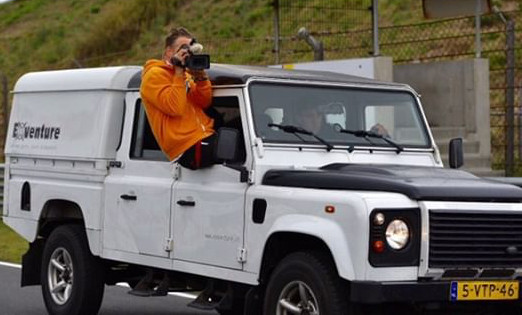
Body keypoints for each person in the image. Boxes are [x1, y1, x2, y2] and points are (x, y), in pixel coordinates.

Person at [140, 27, 217, 170]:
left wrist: (200, 78)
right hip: (186, 146)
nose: (187, 53)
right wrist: (178, 72)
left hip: (203, 136)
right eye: (183, 48)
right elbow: (174, 108)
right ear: (169, 51)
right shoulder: (154, 76)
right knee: (240, 145)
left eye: (190, 49)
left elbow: (204, 102)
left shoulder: (183, 75)